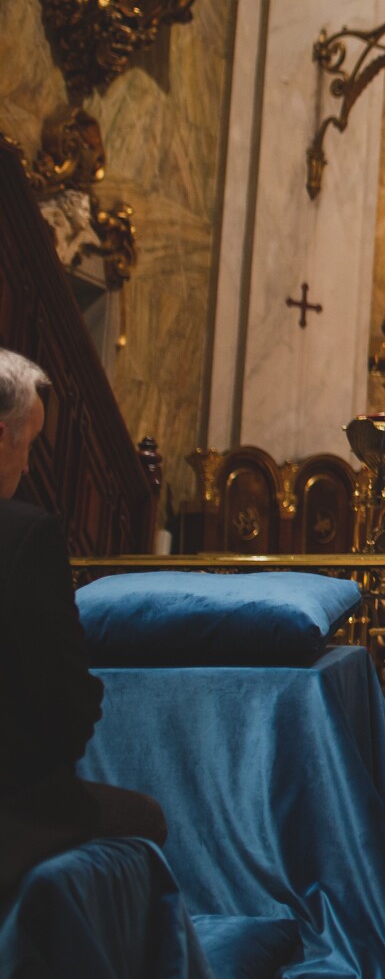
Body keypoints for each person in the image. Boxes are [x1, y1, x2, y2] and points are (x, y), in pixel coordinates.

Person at [0, 349, 167, 896]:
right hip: (12, 806)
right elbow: (65, 700)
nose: (28, 466)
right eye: (27, 445)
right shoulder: (26, 535)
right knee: (146, 817)